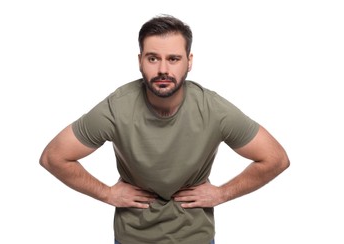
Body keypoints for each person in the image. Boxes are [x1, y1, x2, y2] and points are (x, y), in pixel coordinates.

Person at [39, 14, 290, 244]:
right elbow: (54, 157)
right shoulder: (117, 107)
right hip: (132, 237)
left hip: (195, 237)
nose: (163, 69)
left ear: (189, 62)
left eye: (173, 59)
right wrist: (106, 193)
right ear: (140, 61)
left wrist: (222, 193)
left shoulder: (213, 109)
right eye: (153, 58)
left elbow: (275, 158)